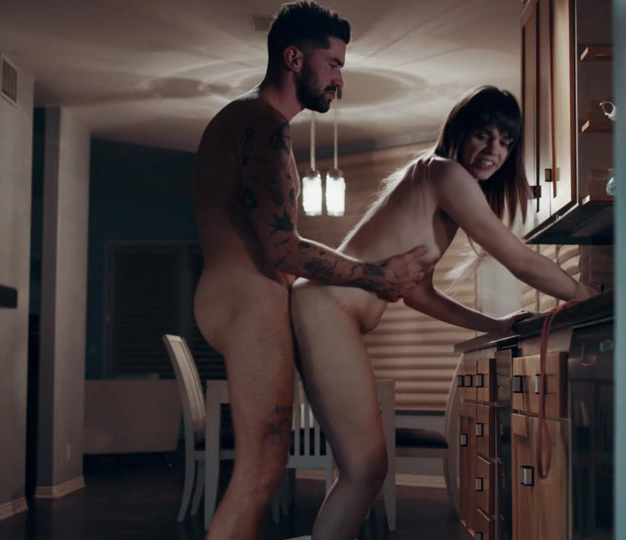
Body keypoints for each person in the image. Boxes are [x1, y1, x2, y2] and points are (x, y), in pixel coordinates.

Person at [290, 85, 597, 540]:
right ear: (460, 132)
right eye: (483, 135)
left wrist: (494, 325)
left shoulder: (434, 179)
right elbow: (521, 260)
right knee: (365, 469)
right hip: (326, 308)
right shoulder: (446, 173)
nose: (493, 151)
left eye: (505, 142)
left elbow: (419, 294)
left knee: (363, 469)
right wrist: (591, 299)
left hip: (327, 309)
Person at [190, 2, 431, 539]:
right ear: (294, 58)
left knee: (266, 469)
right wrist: (376, 275)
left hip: (238, 295)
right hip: (248, 300)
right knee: (260, 471)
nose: (340, 80)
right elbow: (283, 249)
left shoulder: (250, 121)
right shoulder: (262, 126)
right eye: (334, 64)